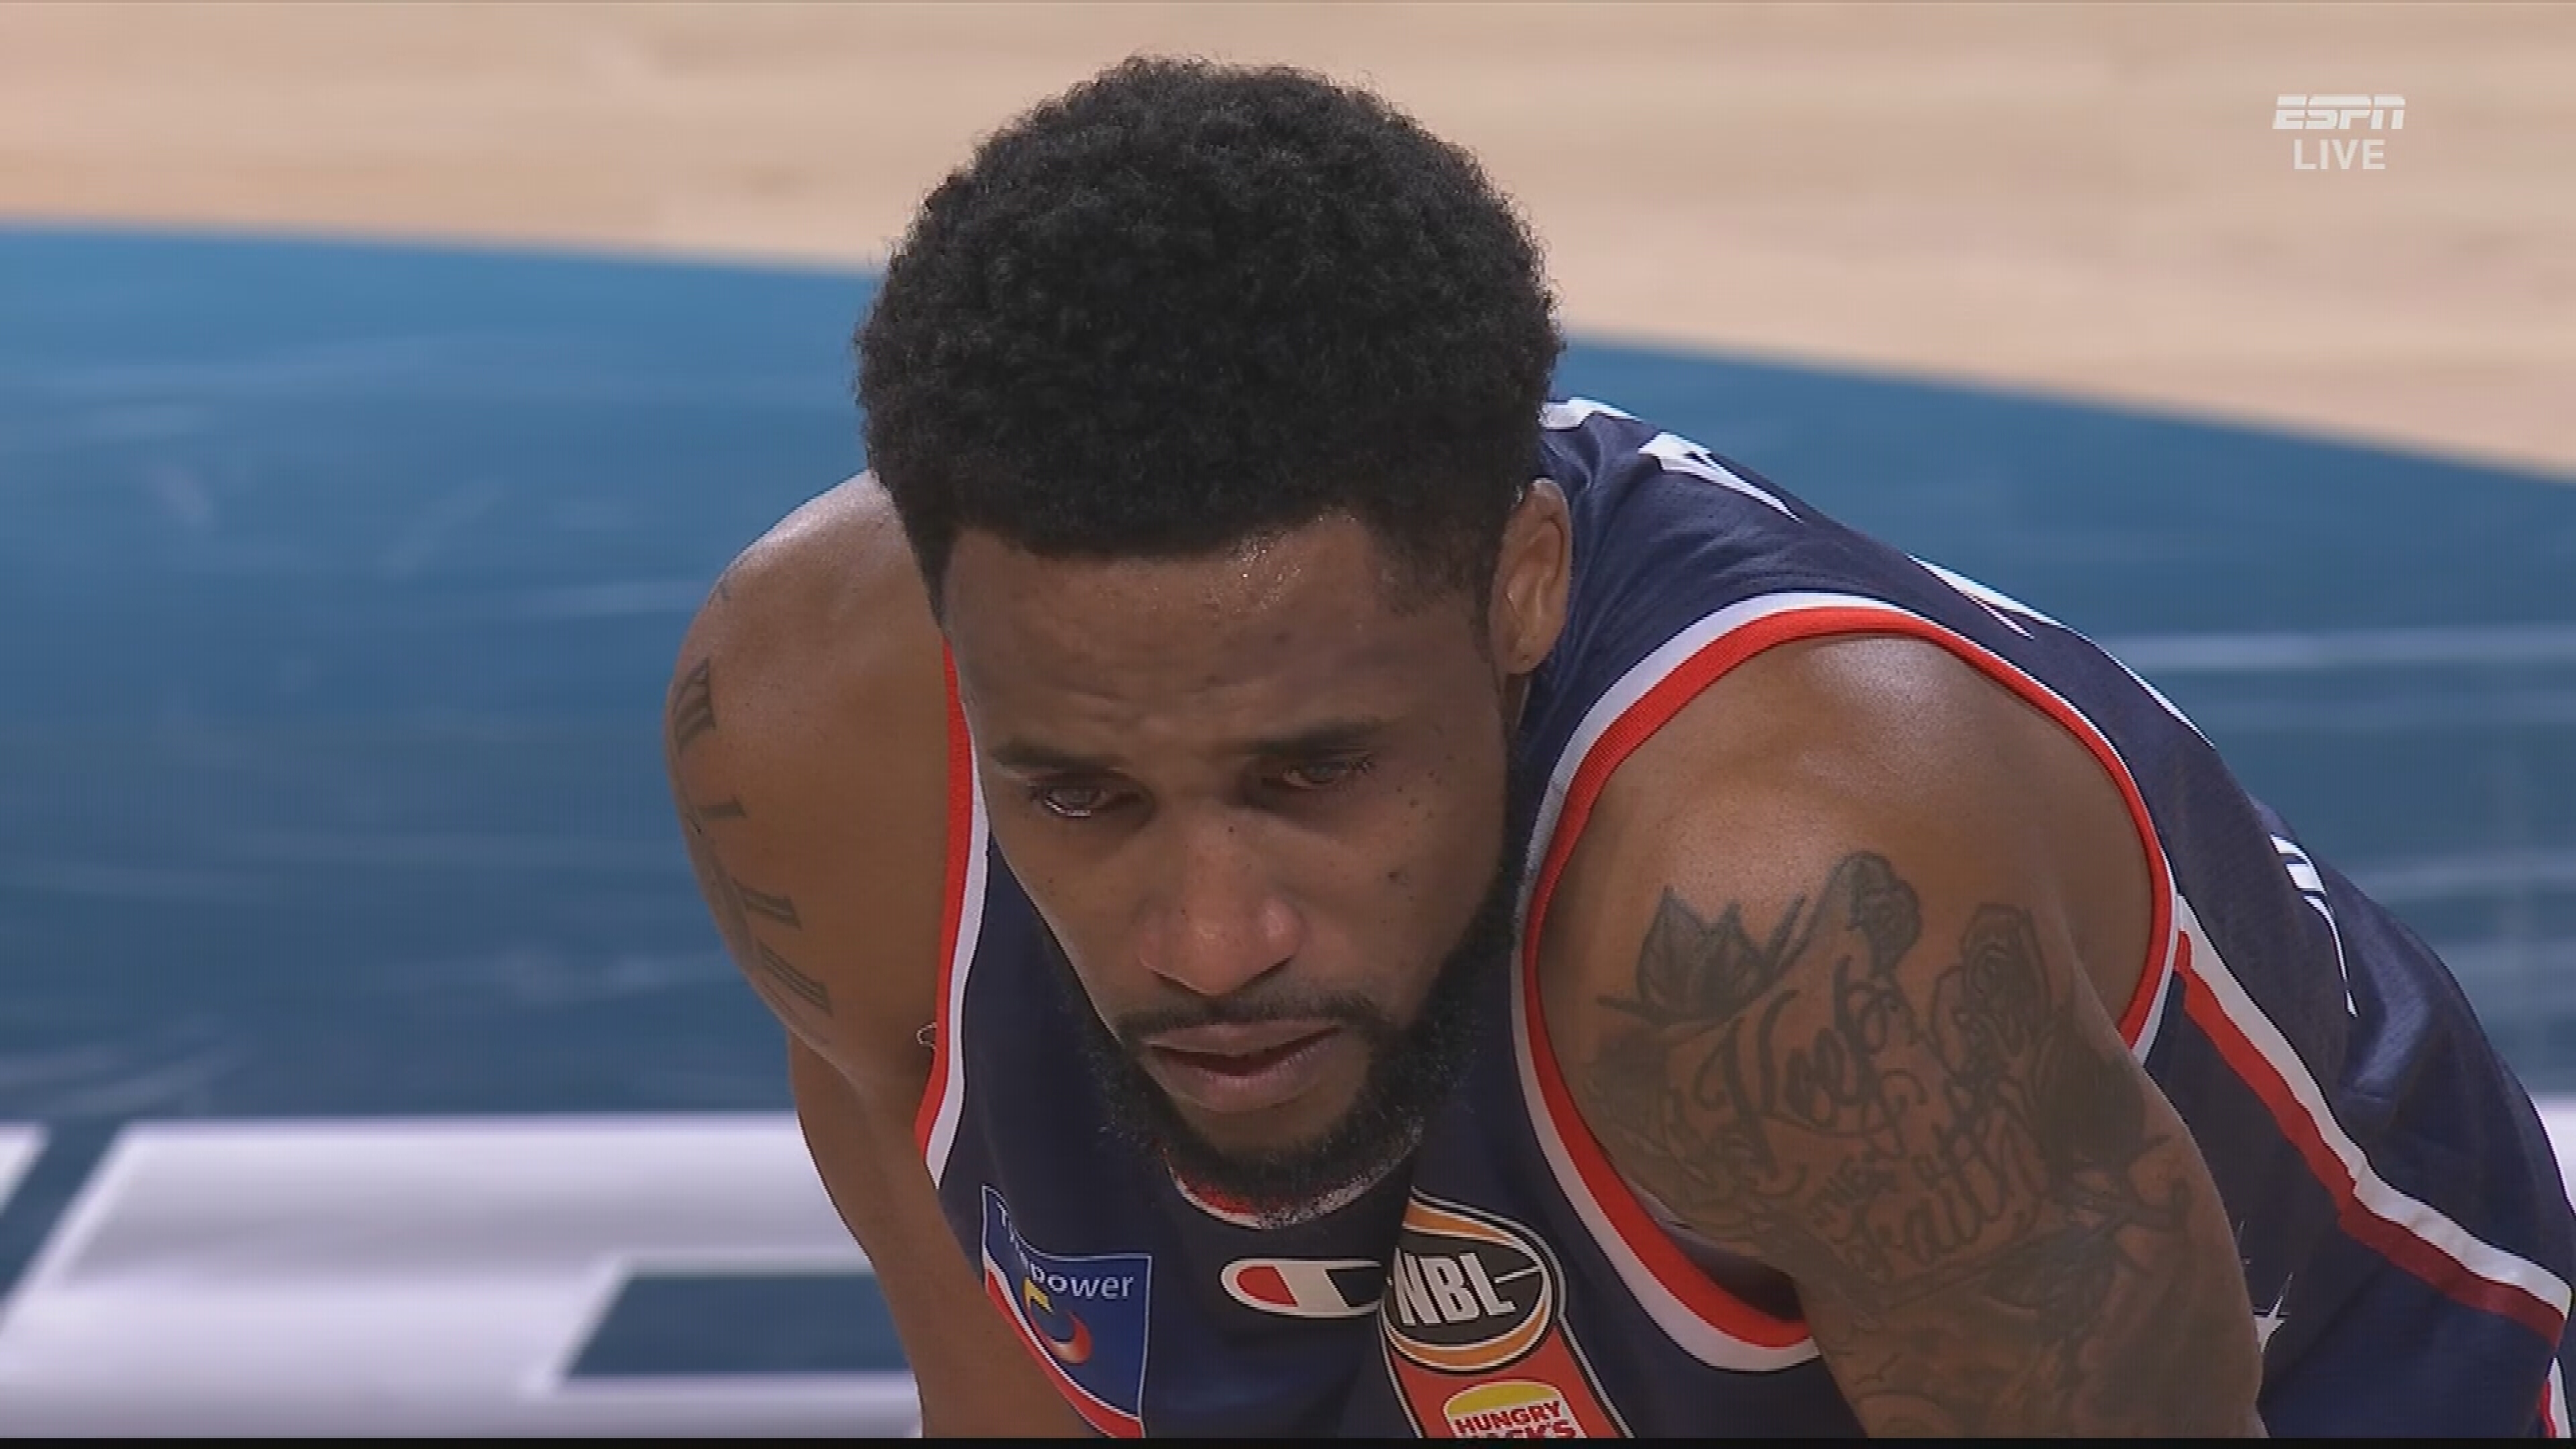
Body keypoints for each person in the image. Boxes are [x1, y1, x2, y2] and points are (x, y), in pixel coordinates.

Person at [663, 56, 2575, 1438]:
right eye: (1080, 793)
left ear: (1521, 588)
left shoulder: (1804, 909)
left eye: (1312, 774)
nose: (1208, 933)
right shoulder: (816, 743)